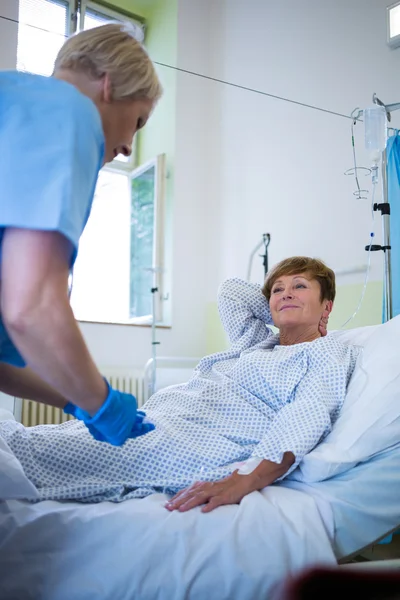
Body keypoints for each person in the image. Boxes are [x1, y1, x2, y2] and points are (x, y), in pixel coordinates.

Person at [0, 257, 360, 510]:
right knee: (58, 440)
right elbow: (231, 291)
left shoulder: (325, 355)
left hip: (202, 439)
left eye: (300, 286)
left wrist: (248, 478)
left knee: (56, 452)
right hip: (171, 415)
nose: (286, 293)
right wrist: (282, 308)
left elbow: (306, 416)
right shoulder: (256, 342)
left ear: (327, 306)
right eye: (278, 289)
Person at [0, 23, 163, 446]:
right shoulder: (69, 111)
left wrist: (76, 400)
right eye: (139, 121)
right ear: (109, 84)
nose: (128, 145)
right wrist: (103, 402)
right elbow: (30, 306)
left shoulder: (15, 100)